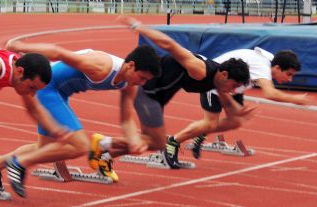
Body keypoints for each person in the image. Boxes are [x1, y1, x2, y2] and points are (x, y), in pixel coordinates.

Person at [0, 40, 161, 197]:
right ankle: (19, 163)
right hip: (48, 88)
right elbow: (58, 53)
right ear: (130, 65)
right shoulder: (100, 66)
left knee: (43, 148)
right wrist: (20, 47)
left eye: (146, 80)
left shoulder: (129, 84)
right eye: (142, 77)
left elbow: (126, 120)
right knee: (81, 145)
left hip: (60, 92)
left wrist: (133, 140)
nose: (142, 83)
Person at [87, 15, 252, 172]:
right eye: (234, 85)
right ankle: (102, 144)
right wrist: (138, 26)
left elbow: (227, 102)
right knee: (156, 142)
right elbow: (169, 44)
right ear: (224, 74)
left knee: (150, 142)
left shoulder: (218, 81)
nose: (233, 90)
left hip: (159, 94)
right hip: (148, 90)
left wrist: (237, 111)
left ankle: (105, 154)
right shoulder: (199, 70)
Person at [0, 38, 71, 193]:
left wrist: (56, 130)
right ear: (20, 72)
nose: (32, 93)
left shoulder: (19, 67)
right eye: (32, 87)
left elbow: (34, 109)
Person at [175, 47, 316, 160]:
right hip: (215, 85)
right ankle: (172, 142)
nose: (290, 80)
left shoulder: (268, 62)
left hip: (233, 87)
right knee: (210, 123)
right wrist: (296, 100)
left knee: (235, 121)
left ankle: (200, 133)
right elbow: (270, 93)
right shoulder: (263, 65)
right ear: (277, 68)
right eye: (289, 74)